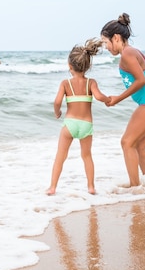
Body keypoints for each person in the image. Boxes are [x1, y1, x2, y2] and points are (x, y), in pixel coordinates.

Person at [100, 12, 145, 188]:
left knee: (127, 142)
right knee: (139, 145)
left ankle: (135, 188)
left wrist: (117, 99)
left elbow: (141, 80)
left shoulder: (127, 54)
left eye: (105, 43)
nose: (106, 47)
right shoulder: (135, 52)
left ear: (115, 38)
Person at [47, 39, 110, 196]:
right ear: (87, 66)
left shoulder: (65, 83)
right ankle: (91, 187)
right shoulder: (91, 82)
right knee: (87, 156)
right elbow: (99, 96)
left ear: (69, 66)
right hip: (86, 125)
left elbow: (56, 102)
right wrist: (108, 99)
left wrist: (57, 113)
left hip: (70, 124)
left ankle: (53, 187)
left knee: (60, 157)